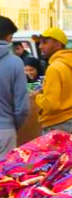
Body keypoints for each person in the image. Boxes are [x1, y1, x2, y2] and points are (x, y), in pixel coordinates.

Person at [35, 27, 72, 136]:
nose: (40, 47)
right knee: (69, 153)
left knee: (54, 154)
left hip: (55, 123)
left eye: (44, 43)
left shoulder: (54, 68)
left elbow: (51, 104)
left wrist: (37, 97)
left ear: (57, 45)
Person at [0, 16, 29, 159]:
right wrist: (12, 125)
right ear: (9, 37)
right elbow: (22, 108)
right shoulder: (15, 63)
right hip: (5, 131)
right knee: (3, 178)